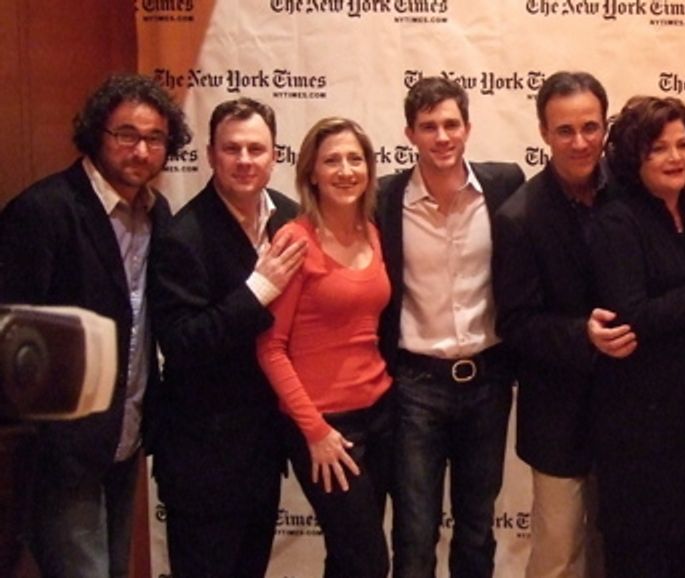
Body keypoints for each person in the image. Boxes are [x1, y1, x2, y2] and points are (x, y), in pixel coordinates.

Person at [0, 73, 190, 578]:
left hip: (125, 431)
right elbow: (12, 333)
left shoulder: (158, 213)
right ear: (95, 134)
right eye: (126, 134)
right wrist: (42, 434)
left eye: (155, 138)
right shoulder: (44, 211)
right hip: (62, 445)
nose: (141, 150)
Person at [584, 95, 685, 577]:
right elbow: (632, 318)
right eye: (659, 148)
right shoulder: (617, 220)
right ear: (635, 156)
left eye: (683, 145)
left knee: (679, 561)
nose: (676, 157)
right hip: (636, 431)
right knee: (637, 562)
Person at [149, 97, 305, 577]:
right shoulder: (182, 235)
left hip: (262, 453)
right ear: (212, 155)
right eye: (231, 148)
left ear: (275, 155)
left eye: (256, 149)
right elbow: (181, 341)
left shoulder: (291, 219)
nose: (244, 160)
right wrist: (257, 291)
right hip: (201, 461)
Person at [375, 77, 525, 578]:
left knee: (477, 529)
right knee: (415, 534)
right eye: (428, 127)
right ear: (409, 133)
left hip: (487, 381)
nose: (442, 136)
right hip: (415, 385)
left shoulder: (505, 185)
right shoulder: (384, 199)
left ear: (467, 127)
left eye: (451, 124)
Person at [491, 70, 624, 578]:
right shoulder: (518, 217)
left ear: (606, 128)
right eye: (565, 130)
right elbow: (516, 323)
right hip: (558, 416)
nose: (580, 141)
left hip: (630, 410)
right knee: (558, 555)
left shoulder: (634, 191)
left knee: (621, 549)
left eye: (591, 127)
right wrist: (581, 335)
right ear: (544, 133)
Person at [257, 117, 392, 578]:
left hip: (380, 415)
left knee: (348, 556)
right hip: (325, 428)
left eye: (356, 159)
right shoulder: (295, 239)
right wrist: (315, 432)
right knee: (369, 563)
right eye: (332, 160)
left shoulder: (372, 233)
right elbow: (270, 348)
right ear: (311, 172)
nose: (346, 170)